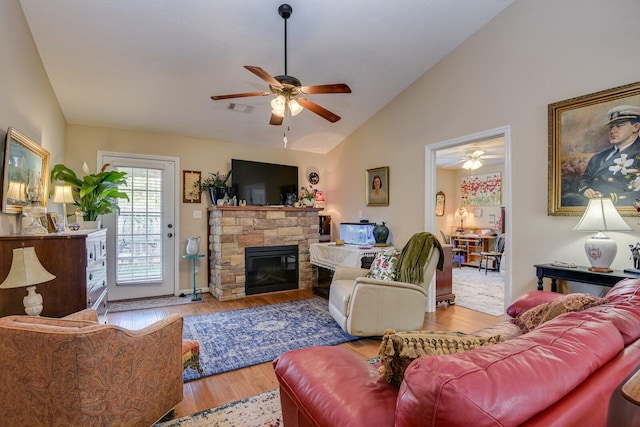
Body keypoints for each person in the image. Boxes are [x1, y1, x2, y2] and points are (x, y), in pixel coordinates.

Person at [572, 105, 640, 206]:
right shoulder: (598, 157)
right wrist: (586, 189)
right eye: (611, 127)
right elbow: (585, 178)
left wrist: (610, 197)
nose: (612, 131)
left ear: (636, 127)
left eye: (619, 126)